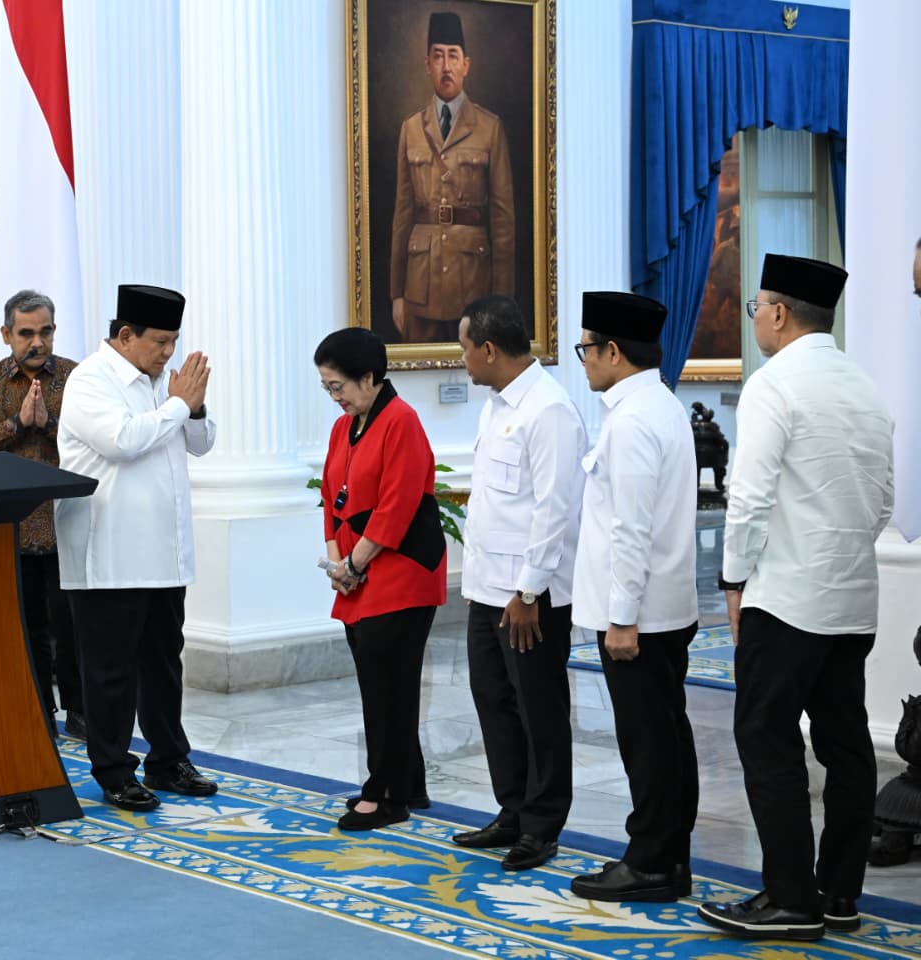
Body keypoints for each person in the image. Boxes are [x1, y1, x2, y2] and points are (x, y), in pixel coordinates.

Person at [699, 255, 894, 941]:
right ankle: (840, 895)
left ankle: (789, 897)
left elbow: (747, 497)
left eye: (756, 306)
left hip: (786, 600)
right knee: (846, 747)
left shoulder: (774, 383)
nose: (755, 316)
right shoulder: (866, 389)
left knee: (765, 736)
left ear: (778, 313)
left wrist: (733, 581)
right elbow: (883, 504)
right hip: (852, 600)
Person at [55, 284, 215, 812]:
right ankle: (113, 770)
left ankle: (169, 760)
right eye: (160, 342)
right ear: (125, 335)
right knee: (111, 672)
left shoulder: (157, 384)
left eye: (174, 341)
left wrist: (191, 408)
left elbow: (201, 442)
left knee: (164, 664)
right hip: (110, 556)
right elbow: (122, 441)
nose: (168, 353)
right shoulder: (89, 380)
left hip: (165, 554)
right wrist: (176, 403)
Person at [567, 292, 699, 903]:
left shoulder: (633, 419)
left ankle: (649, 861)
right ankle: (669, 857)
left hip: (639, 619)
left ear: (614, 351)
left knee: (648, 742)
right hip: (666, 608)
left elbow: (631, 527)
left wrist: (621, 618)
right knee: (667, 735)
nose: (584, 361)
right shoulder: (660, 405)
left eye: (587, 349)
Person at [451, 295, 585, 869]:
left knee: (539, 709)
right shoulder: (495, 404)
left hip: (528, 597)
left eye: (463, 348)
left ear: (488, 348)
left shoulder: (548, 409)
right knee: (495, 703)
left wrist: (529, 592)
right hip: (486, 589)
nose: (462, 360)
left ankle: (542, 825)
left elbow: (556, 509)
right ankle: (511, 809)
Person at [315, 327, 448, 832]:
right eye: (327, 388)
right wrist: (337, 561)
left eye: (339, 386)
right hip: (359, 573)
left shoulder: (402, 421)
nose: (335, 397)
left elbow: (396, 509)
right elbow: (332, 499)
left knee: (388, 684)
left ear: (369, 378)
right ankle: (407, 780)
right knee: (377, 680)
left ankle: (386, 794)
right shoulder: (342, 426)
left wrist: (354, 564)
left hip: (403, 572)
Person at [0, 289, 84, 738]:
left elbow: (92, 441)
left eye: (45, 331)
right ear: (6, 334)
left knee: (71, 625)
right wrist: (17, 425)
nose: (37, 342)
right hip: (8, 527)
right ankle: (37, 710)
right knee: (26, 626)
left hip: (66, 524)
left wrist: (46, 423)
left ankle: (80, 710)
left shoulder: (77, 379)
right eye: (26, 333)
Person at [389, 11, 515, 344]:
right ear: (427, 63)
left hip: (472, 285)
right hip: (420, 289)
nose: (446, 66)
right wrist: (396, 294)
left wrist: (502, 302)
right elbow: (403, 215)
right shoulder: (412, 129)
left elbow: (502, 223)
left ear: (466, 65)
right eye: (439, 56)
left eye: (453, 56)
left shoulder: (490, 128)